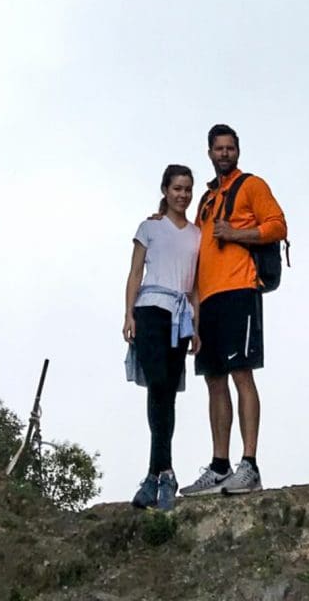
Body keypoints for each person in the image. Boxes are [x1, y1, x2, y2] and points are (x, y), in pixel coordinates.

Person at [180, 126, 287, 497]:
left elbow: (277, 225)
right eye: (218, 148)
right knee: (213, 378)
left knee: (241, 372)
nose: (224, 153)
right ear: (209, 152)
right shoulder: (207, 198)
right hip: (208, 298)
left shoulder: (252, 185)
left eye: (230, 148)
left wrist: (236, 234)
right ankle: (220, 466)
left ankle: (250, 464)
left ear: (238, 150)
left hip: (240, 288)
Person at [123, 164, 201, 511]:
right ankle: (164, 472)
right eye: (177, 189)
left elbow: (195, 284)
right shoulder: (150, 227)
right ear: (165, 190)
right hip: (150, 310)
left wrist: (196, 325)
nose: (182, 195)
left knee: (166, 392)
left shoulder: (197, 235)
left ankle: (156, 476)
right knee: (157, 384)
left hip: (180, 316)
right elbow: (135, 270)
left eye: (187, 189)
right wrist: (128, 313)